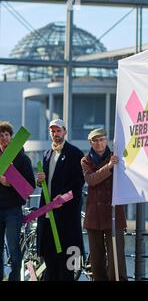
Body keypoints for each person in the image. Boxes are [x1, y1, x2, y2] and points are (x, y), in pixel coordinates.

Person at [36, 119, 85, 281]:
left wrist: (62, 198)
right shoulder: (46, 154)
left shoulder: (75, 153)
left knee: (67, 265)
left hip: (66, 218)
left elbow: (78, 183)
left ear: (65, 132)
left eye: (58, 131)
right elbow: (47, 182)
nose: (55, 134)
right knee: (49, 262)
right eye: (53, 131)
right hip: (48, 217)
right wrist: (40, 180)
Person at [81, 128, 127, 281]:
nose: (99, 143)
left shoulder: (117, 156)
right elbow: (91, 180)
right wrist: (109, 167)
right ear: (91, 143)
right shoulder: (85, 160)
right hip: (94, 216)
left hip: (114, 212)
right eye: (95, 141)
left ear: (107, 141)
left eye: (102, 140)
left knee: (117, 257)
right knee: (96, 260)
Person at [0, 121, 35, 281]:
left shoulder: (22, 159)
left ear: (12, 137)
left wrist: (11, 182)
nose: (3, 138)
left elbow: (30, 187)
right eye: (0, 135)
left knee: (14, 248)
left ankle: (14, 278)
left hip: (13, 210)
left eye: (6, 134)